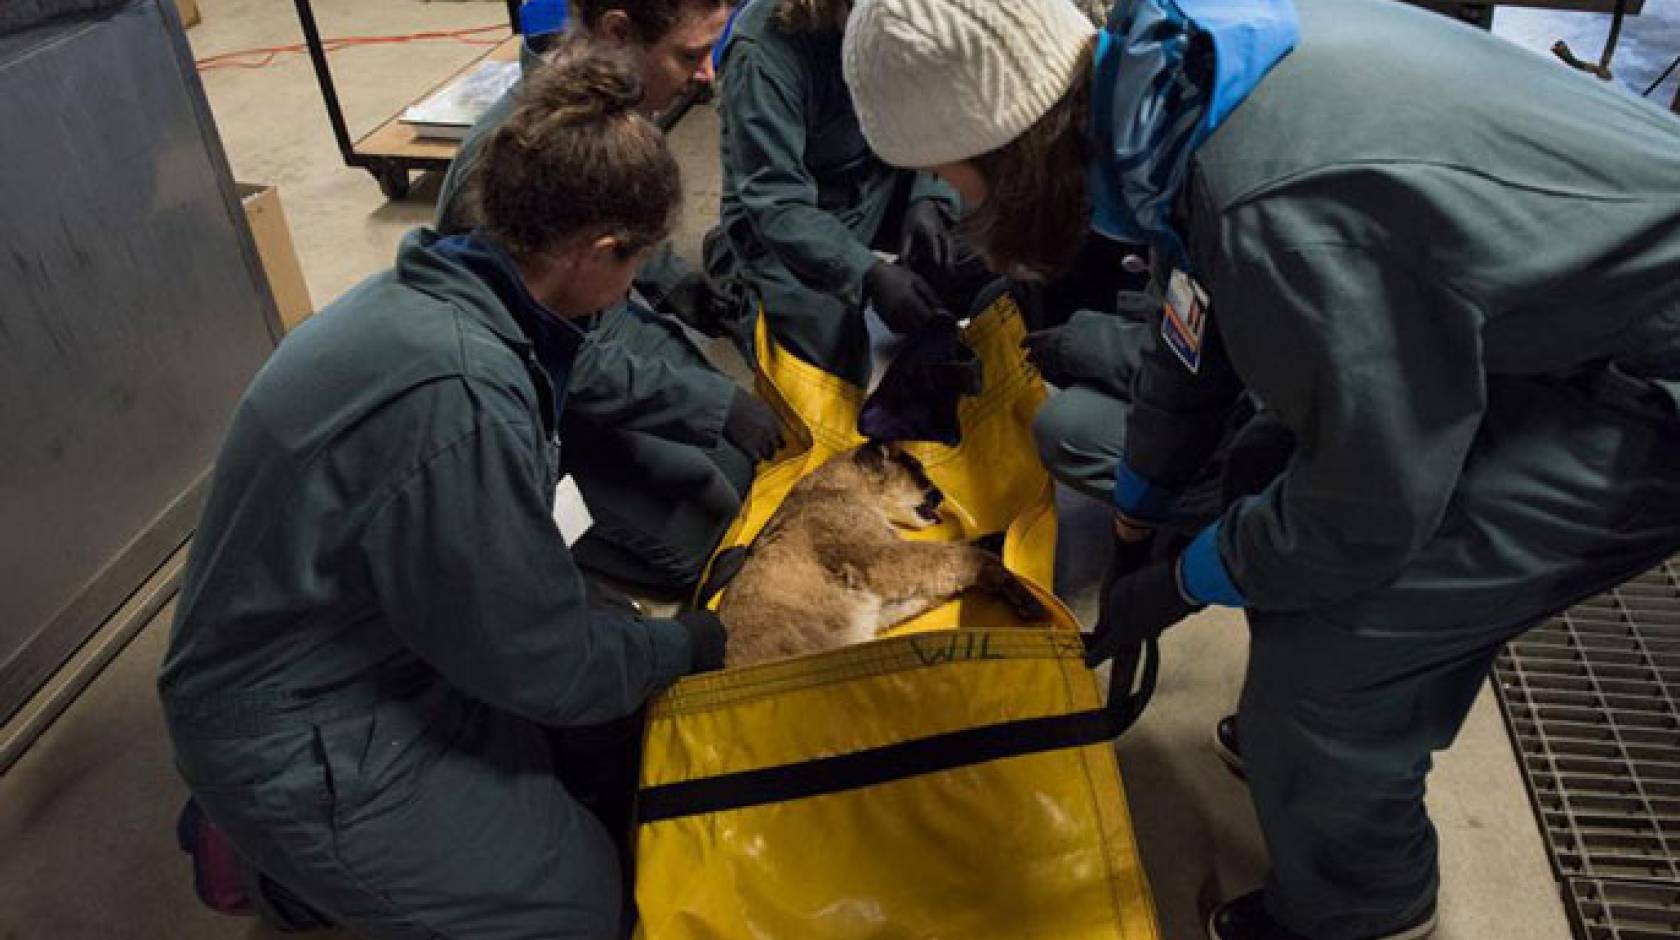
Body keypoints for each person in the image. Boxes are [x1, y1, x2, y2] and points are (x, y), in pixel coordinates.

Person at [840, 1, 1680, 939]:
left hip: (1649, 383)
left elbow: (1367, 509)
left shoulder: (1278, 210)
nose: (954, 206)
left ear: (1009, 150)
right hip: (1552, 313)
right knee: (1260, 467)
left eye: (949, 178)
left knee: (1333, 657)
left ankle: (1363, 906)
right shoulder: (1171, 82)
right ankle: (1324, 756)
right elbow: (1197, 321)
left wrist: (1195, 575)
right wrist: (1140, 502)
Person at [159, 46, 729, 940]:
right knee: (581, 907)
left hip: (360, 635)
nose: (629, 292)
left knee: (612, 745)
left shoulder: (446, 290)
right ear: (600, 252)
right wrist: (680, 648)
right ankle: (285, 869)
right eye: (635, 268)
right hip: (302, 724)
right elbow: (539, 661)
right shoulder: (457, 398)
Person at [436, 0, 783, 594]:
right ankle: (532, 528)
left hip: (595, 321)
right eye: (691, 55)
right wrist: (706, 403)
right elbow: (536, 352)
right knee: (702, 542)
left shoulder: (613, 104)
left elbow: (621, 228)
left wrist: (686, 292)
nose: (707, 75)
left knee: (741, 467)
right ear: (619, 32)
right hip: (537, 380)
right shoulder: (502, 174)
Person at [705, 0, 991, 389]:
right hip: (789, 218)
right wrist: (867, 272)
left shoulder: (906, 18)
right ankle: (736, 276)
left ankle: (918, 282)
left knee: (989, 238)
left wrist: (930, 197)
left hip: (878, 175)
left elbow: (937, 107)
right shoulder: (761, 56)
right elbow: (778, 202)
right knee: (830, 368)